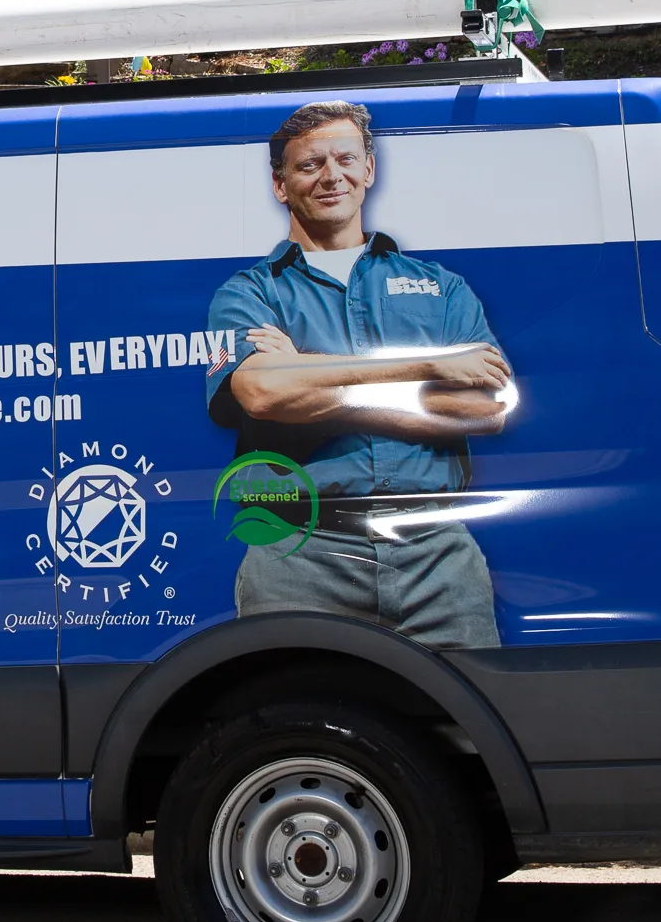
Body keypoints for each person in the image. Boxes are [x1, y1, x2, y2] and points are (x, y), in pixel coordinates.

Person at [202, 101, 513, 649]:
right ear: (280, 184)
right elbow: (262, 392)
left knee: (471, 723)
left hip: (436, 555)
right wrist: (428, 368)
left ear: (369, 169)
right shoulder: (250, 293)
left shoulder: (441, 286)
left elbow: (487, 406)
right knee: (296, 720)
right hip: (298, 556)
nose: (331, 175)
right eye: (309, 165)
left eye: (345, 158)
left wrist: (306, 372)